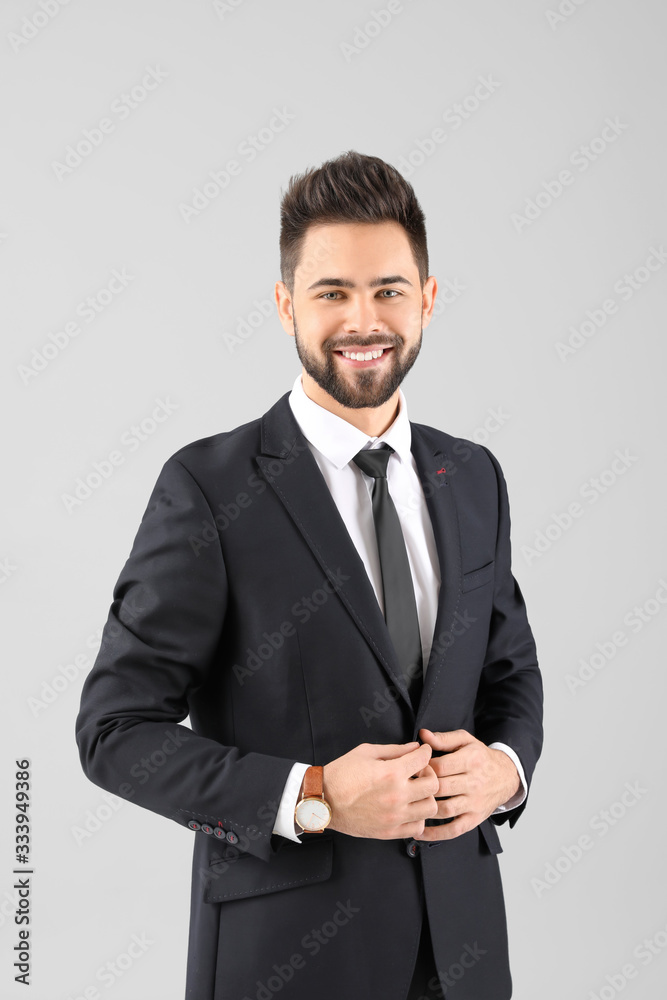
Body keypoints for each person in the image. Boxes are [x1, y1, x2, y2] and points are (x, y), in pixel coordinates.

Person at [75, 149, 543, 1000]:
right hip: (285, 966)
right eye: (332, 292)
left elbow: (510, 673)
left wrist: (506, 768)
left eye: (388, 290)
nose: (363, 319)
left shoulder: (473, 476)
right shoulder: (207, 487)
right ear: (287, 304)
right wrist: (315, 795)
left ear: (427, 300)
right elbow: (113, 733)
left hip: (466, 954)